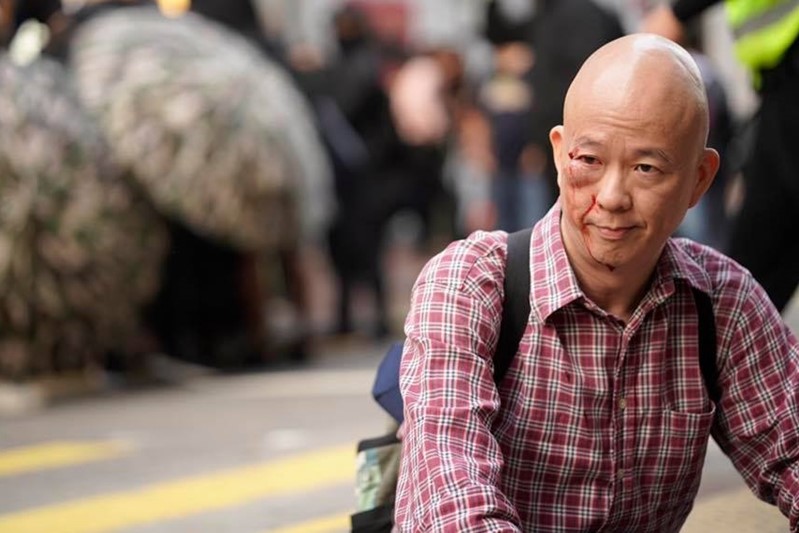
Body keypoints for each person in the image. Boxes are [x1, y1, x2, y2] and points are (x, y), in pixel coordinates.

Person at [395, 33, 799, 532]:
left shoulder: (723, 302)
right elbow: (451, 496)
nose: (611, 197)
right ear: (559, 153)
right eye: (589, 160)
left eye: (646, 168)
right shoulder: (470, 284)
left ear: (699, 179)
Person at [644, 0, 799, 312]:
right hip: (780, 84)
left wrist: (677, 12)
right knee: (755, 267)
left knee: (753, 263)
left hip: (790, 80)